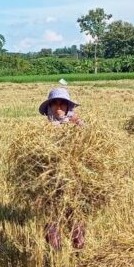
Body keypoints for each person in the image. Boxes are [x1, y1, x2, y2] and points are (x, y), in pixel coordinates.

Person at [38, 81, 85, 250]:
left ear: (68, 107)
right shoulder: (43, 130)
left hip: (73, 178)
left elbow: (91, 144)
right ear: (49, 107)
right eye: (55, 103)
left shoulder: (77, 125)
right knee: (51, 215)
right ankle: (55, 253)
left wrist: (78, 124)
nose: (59, 107)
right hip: (51, 179)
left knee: (75, 213)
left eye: (62, 103)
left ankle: (78, 250)